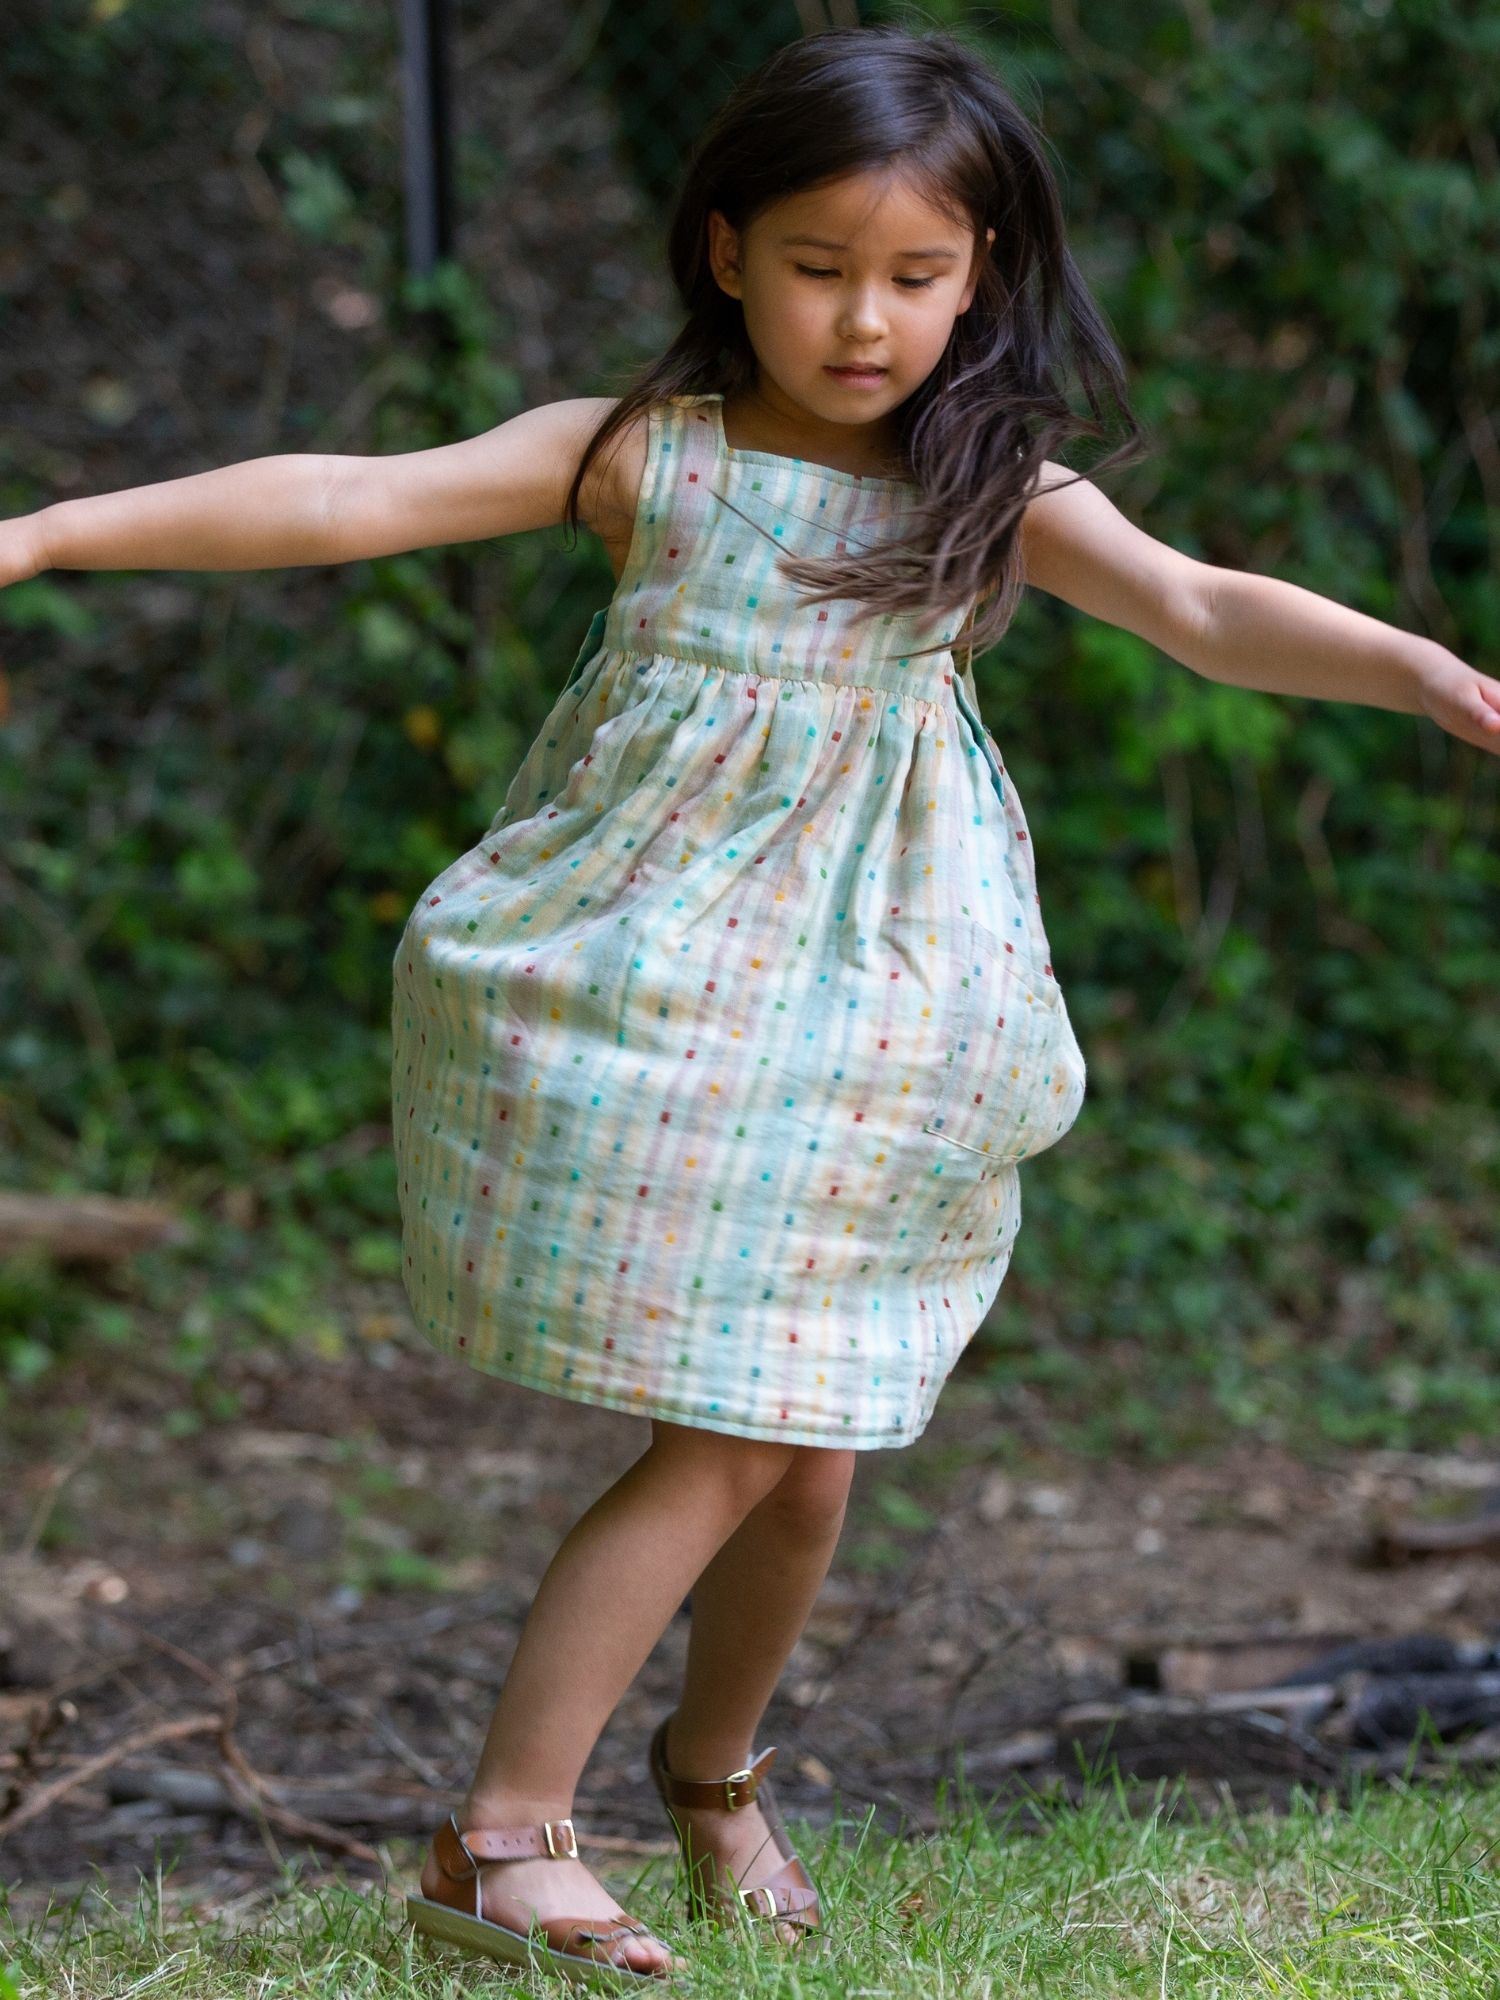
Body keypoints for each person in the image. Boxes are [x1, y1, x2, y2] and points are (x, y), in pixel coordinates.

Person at [6, 19, 1498, 1989]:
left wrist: (1429, 672)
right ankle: (501, 1836)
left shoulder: (989, 490)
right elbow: (351, 495)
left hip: (883, 1020)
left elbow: (1208, 607)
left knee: (810, 1454)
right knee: (725, 1440)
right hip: (663, 991)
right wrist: (39, 534)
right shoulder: (650, 456)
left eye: (913, 276)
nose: (865, 319)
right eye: (818, 270)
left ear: (981, 276)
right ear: (726, 253)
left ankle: (713, 1779)